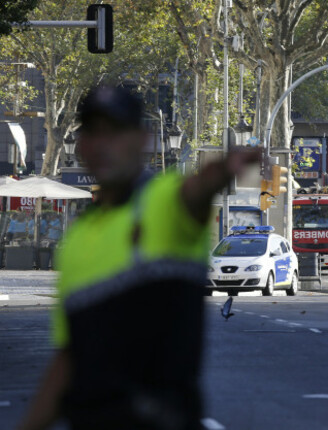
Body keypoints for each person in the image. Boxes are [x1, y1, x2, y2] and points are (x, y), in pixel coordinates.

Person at [18, 85, 261, 430]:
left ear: (143, 140)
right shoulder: (76, 241)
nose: (102, 144)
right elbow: (70, 358)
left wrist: (220, 172)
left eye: (115, 132)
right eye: (92, 132)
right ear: (81, 145)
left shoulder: (162, 201)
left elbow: (192, 193)